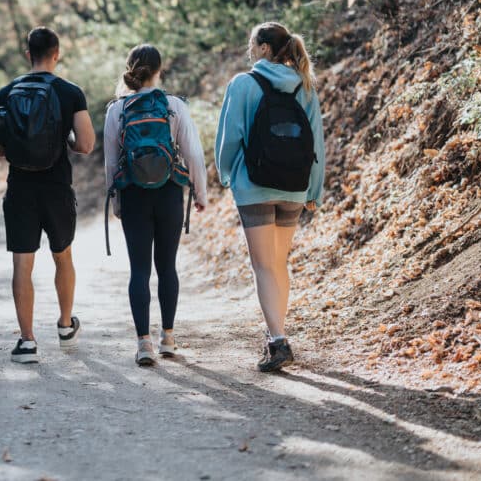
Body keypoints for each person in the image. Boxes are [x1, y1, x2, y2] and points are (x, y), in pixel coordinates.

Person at [215, 22, 325, 372]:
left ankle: (277, 340)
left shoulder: (243, 84)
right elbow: (317, 143)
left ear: (264, 48)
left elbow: (229, 136)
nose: (249, 50)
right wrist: (314, 190)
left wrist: (226, 174)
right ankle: (279, 332)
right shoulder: (304, 86)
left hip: (255, 185)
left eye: (252, 44)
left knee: (262, 265)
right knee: (278, 263)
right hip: (294, 185)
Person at [0, 27, 95, 364]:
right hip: (57, 187)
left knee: (22, 263)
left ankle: (27, 342)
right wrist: (62, 143)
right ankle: (65, 326)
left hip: (20, 188)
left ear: (27, 54)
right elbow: (87, 144)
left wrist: (22, 148)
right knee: (62, 255)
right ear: (57, 53)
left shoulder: (5, 94)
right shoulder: (70, 92)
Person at [104, 45, 208, 367]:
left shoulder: (117, 109)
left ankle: (143, 344)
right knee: (167, 267)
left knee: (139, 269)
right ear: (160, 69)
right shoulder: (174, 105)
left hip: (134, 194)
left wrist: (117, 199)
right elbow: (193, 153)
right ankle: (168, 338)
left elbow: (111, 163)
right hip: (169, 194)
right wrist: (200, 193)